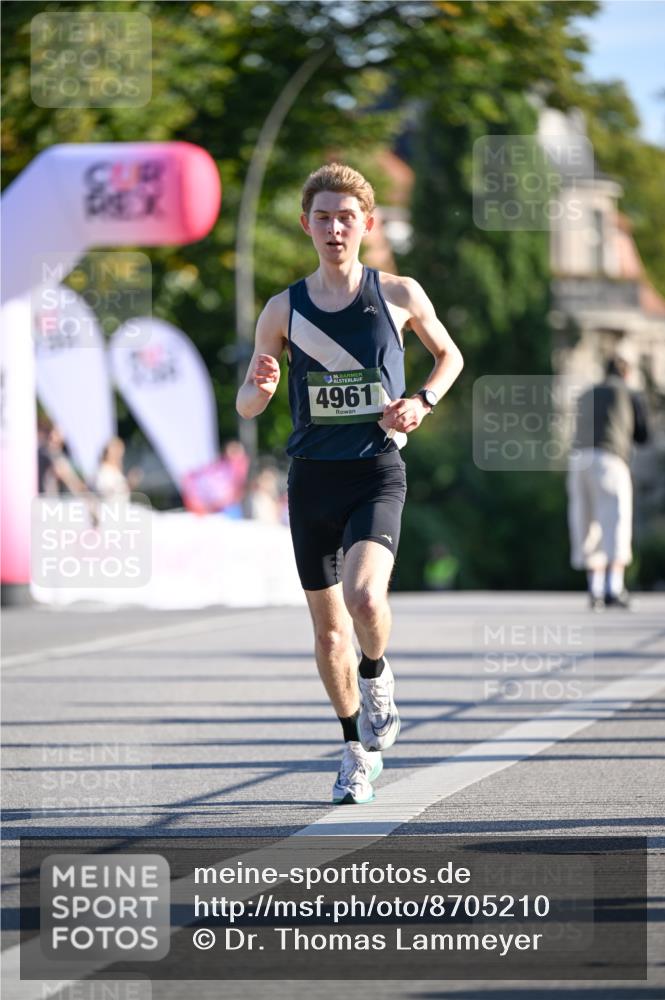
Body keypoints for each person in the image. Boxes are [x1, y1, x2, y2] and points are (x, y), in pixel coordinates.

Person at [236, 163, 464, 805]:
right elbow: (247, 405)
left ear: (367, 224)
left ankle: (377, 673)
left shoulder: (398, 293)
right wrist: (261, 388)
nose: (334, 228)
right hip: (311, 480)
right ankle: (354, 751)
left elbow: (450, 356)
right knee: (329, 632)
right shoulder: (283, 308)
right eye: (323, 217)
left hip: (375, 471)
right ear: (306, 224)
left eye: (346, 217)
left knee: (365, 598)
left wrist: (422, 401)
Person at [567, 344, 650, 610]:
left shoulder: (586, 394)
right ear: (626, 373)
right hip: (609, 459)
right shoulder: (629, 392)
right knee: (614, 521)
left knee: (586, 523)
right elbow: (643, 435)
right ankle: (614, 588)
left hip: (578, 460)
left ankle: (595, 590)